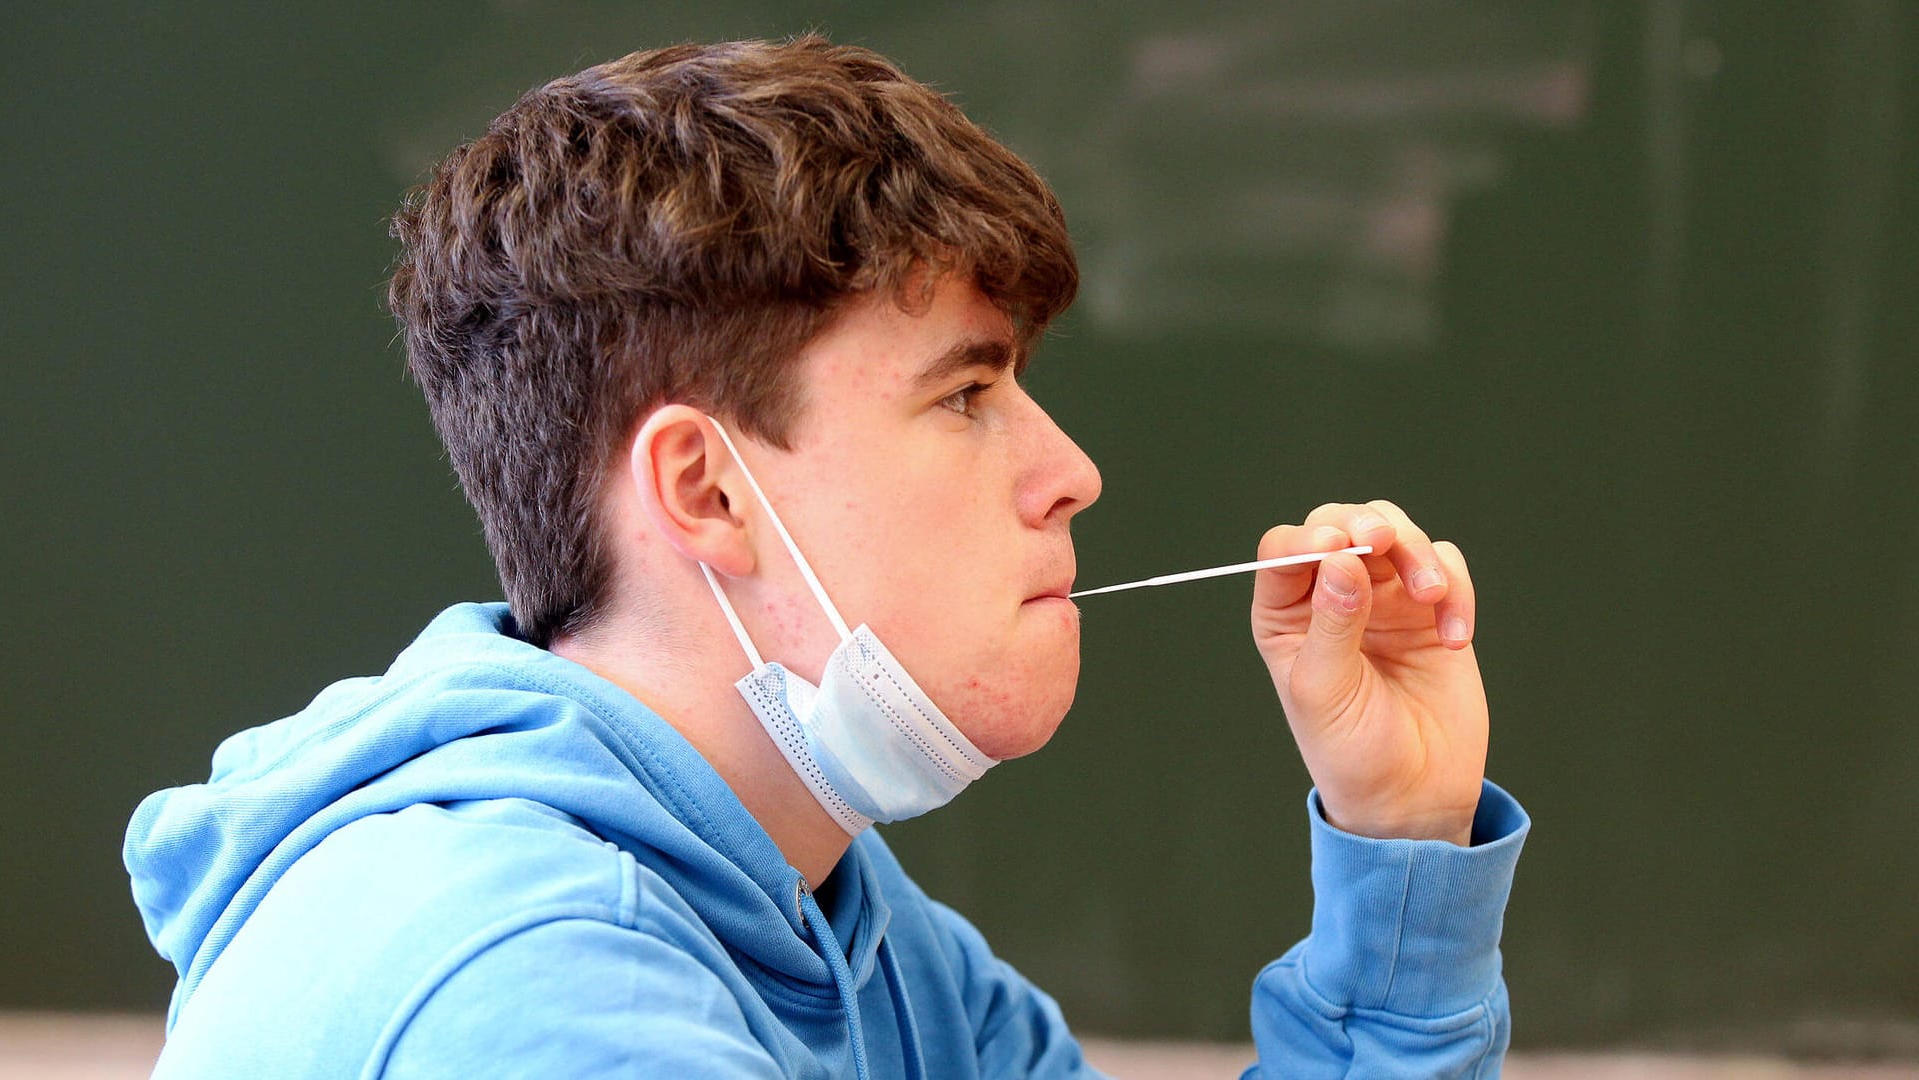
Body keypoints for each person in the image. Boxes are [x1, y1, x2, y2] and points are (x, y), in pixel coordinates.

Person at [125, 35, 1528, 1078]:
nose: (1073, 473)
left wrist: (1401, 847)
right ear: (707, 492)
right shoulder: (548, 1006)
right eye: (965, 395)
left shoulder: (831, 921)